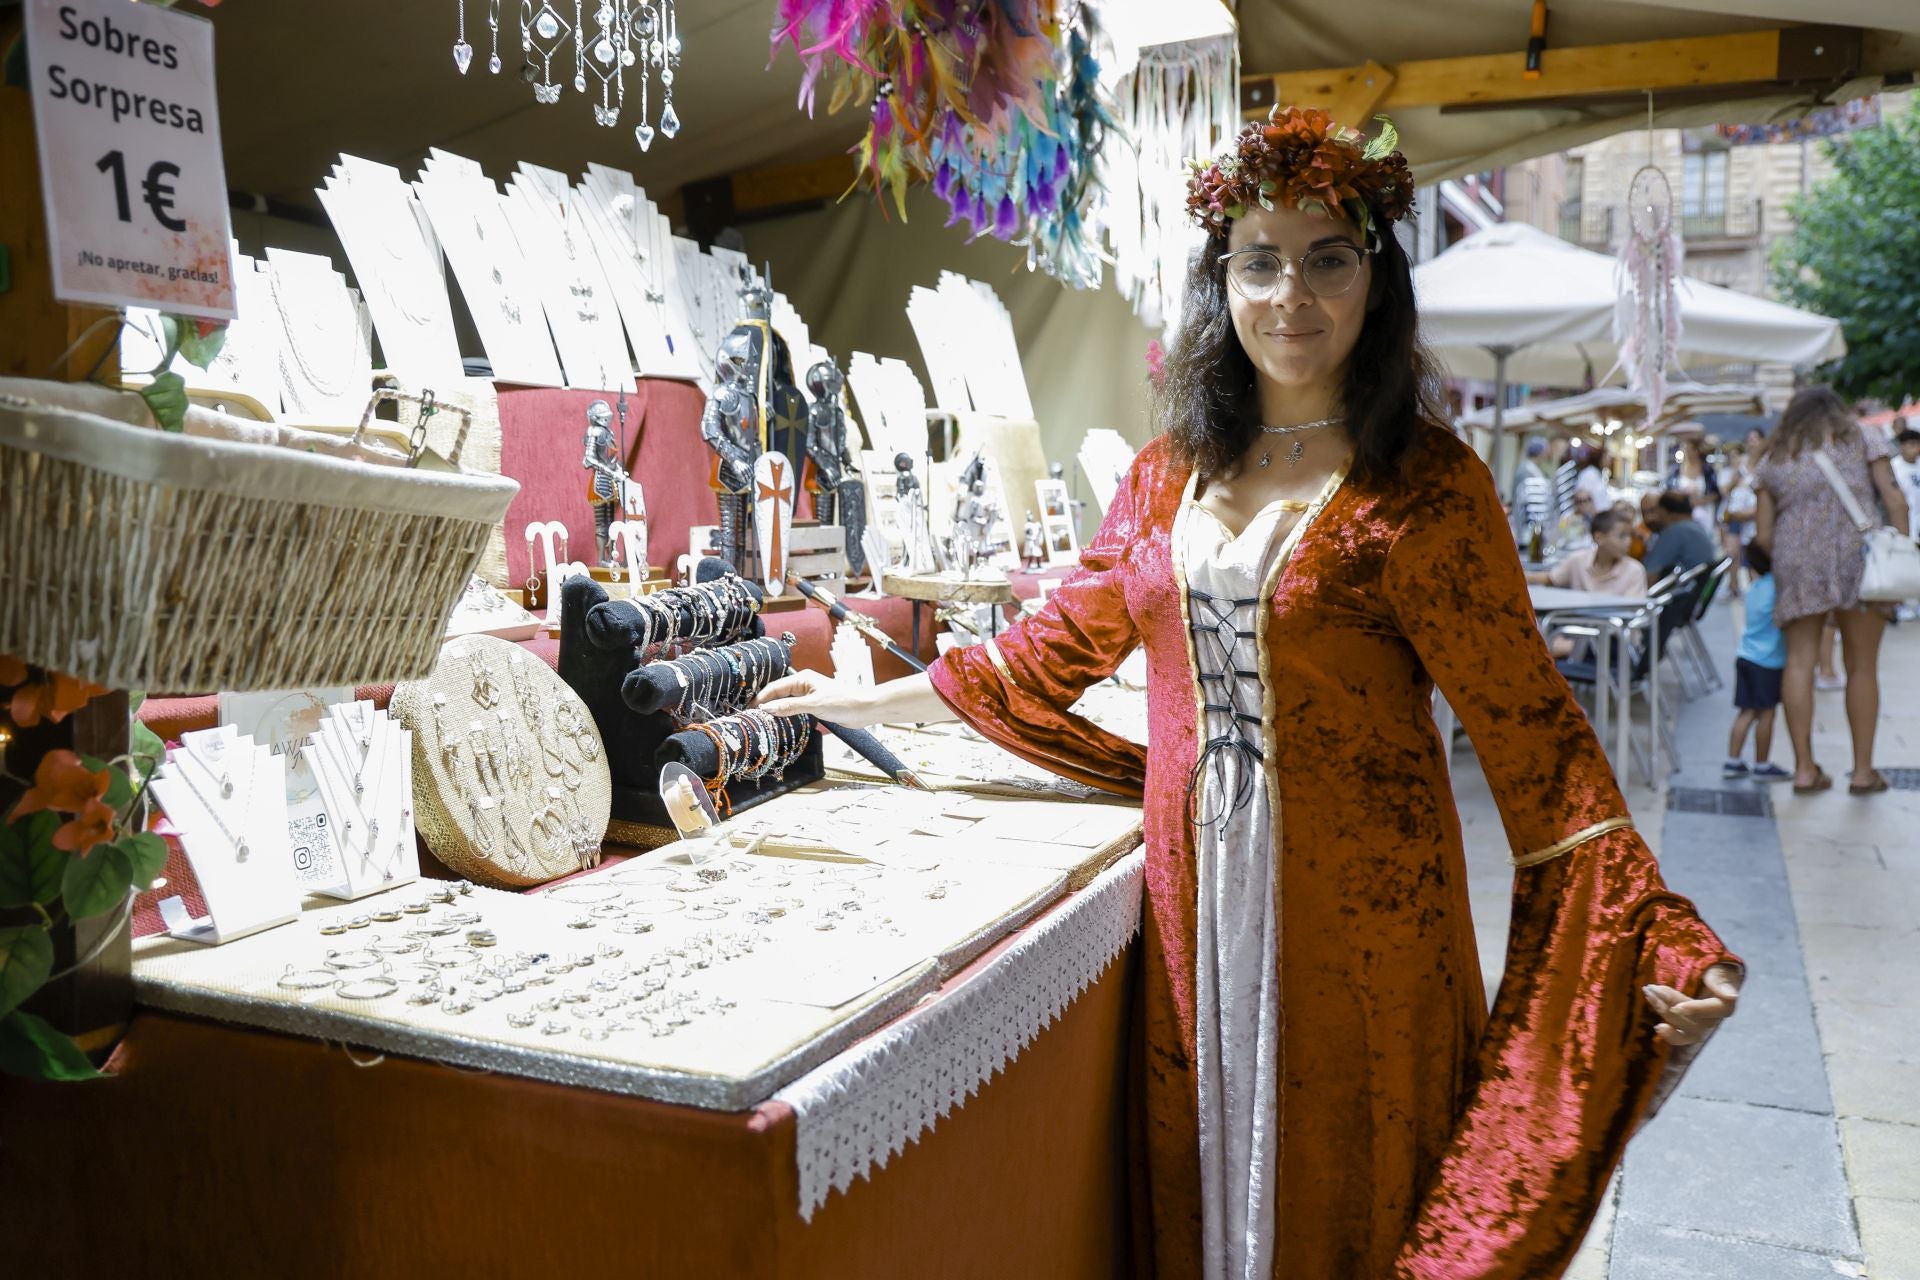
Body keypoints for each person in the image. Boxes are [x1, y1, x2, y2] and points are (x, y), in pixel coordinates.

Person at [757, 106, 1738, 1277]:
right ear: (1220, 280)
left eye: (1328, 259)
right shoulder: (1165, 472)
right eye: (1259, 262)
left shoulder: (1428, 486)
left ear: (1376, 276)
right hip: (1197, 895)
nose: (1292, 297)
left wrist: (1656, 933)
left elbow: (1538, 736)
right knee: (1209, 1156)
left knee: (1350, 1164)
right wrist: (861, 702)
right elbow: (1051, 646)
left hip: (1365, 909)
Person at [1754, 386, 1912, 795]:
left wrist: (1794, 554)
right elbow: (1895, 501)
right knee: (1862, 666)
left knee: (1799, 662)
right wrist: (1900, 549)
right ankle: (1862, 772)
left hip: (1796, 564)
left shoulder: (1775, 456)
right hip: (1859, 559)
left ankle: (1805, 770)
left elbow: (1763, 534)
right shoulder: (1865, 438)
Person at [1528, 509, 1648, 656]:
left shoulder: (1635, 570)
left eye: (1630, 536)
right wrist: (1518, 575)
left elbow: (1629, 614)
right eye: (1622, 536)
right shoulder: (1578, 560)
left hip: (1616, 641)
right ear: (1599, 538)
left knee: (1548, 648)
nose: (1628, 542)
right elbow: (1550, 579)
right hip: (1578, 634)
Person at [1724, 541, 1790, 782]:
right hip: (1768, 661)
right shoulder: (1778, 589)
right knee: (1766, 713)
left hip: (1746, 656)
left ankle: (1733, 761)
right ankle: (1762, 764)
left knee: (1746, 712)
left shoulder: (1754, 588)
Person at [1641, 490, 1720, 586]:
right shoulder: (1695, 527)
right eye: (1643, 513)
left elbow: (1648, 577)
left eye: (1653, 511)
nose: (1649, 518)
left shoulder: (1675, 531)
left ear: (1663, 512)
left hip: (1681, 591)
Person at [1511, 436, 1552, 540]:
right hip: (1526, 525)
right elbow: (1521, 500)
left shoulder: (1536, 470)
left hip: (1536, 525)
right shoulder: (1525, 470)